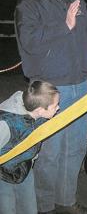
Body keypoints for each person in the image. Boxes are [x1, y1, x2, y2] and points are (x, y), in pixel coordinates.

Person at [14, 0, 87, 214]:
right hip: (50, 88)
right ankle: (44, 206)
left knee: (74, 149)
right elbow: (29, 42)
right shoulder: (29, 1)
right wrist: (64, 25)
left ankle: (66, 202)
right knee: (50, 153)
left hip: (80, 84)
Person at [0, 81, 60, 214]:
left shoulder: (38, 114)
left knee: (29, 209)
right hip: (2, 175)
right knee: (7, 209)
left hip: (24, 168)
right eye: (55, 106)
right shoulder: (7, 123)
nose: (58, 108)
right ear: (40, 110)